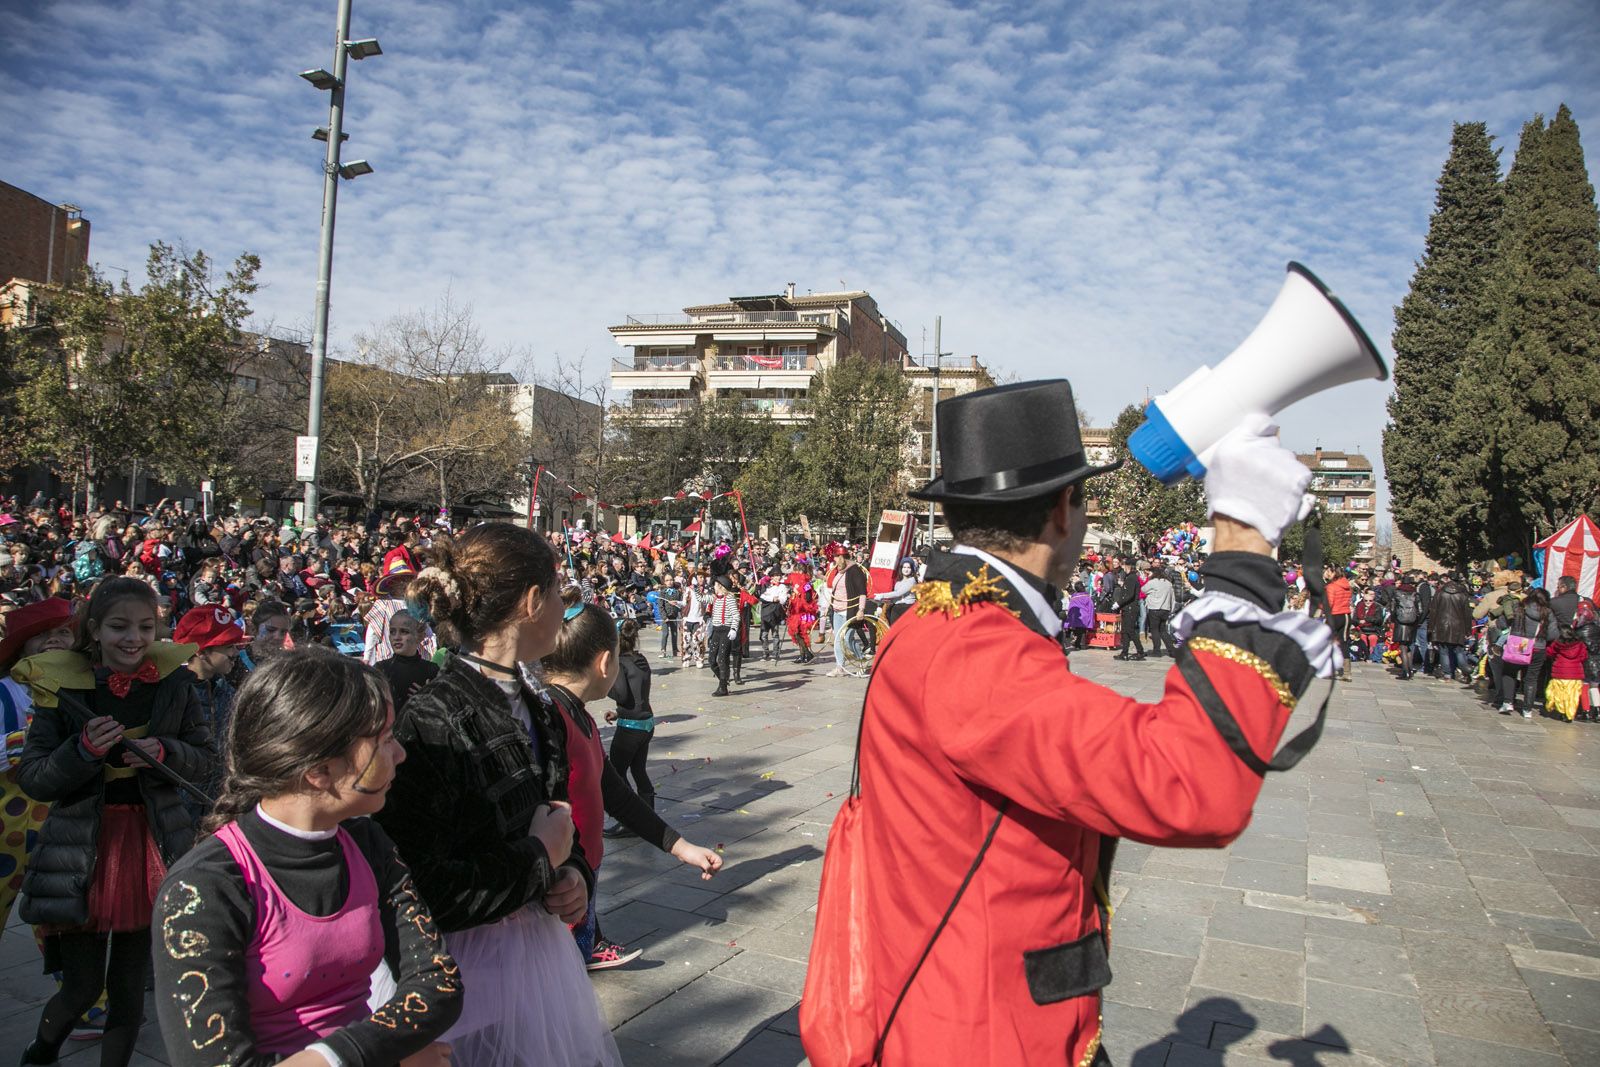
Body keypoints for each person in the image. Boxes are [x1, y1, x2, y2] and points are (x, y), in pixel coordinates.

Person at [801, 383, 1335, 1067]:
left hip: (959, 1005)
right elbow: (1190, 784)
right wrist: (1243, 545)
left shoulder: (939, 618)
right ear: (1061, 510)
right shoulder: (976, 649)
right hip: (985, 1037)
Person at [372, 522, 621, 1067]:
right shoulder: (434, 720)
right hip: (460, 975)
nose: (563, 606)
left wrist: (574, 872)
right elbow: (421, 886)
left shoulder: (538, 707)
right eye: (557, 593)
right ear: (533, 602)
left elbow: (556, 823)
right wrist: (537, 861)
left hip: (537, 960)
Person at [152, 649, 461, 1065]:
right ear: (319, 770)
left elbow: (437, 981)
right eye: (385, 740)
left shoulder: (367, 842)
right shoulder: (204, 887)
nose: (400, 754)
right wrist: (376, 1055)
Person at [14, 577, 212, 1067]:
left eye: (145, 627)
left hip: (154, 844)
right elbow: (36, 778)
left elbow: (205, 759)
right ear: (95, 629)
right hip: (83, 847)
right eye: (119, 626)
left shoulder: (174, 683)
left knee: (129, 991)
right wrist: (81, 751)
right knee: (81, 988)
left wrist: (167, 752)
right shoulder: (61, 685)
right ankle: (40, 1053)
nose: (133, 638)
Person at [540, 600, 722, 969]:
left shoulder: (580, 718)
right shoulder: (549, 721)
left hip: (581, 877)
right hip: (558, 888)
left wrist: (680, 846)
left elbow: (616, 796)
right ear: (606, 662)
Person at [0, 598, 77, 930]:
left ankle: (73, 980)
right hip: (7, 822)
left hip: (61, 816)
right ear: (21, 647)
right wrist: (31, 739)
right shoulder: (5, 692)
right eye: (43, 634)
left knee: (59, 916)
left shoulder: (80, 688)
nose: (55, 639)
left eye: (62, 632)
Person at [603, 619, 656, 837]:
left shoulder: (620, 663)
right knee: (638, 770)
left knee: (616, 774)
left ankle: (631, 820)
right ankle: (647, 817)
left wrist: (604, 684)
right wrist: (618, 713)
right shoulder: (641, 659)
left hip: (630, 728)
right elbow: (637, 694)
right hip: (646, 723)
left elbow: (622, 694)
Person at [1500, 588, 1558, 718]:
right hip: (1537, 647)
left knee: (1509, 672)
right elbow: (1553, 634)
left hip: (1517, 645)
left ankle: (1508, 702)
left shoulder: (1518, 607)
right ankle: (1527, 709)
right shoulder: (1547, 612)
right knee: (1531, 678)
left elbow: (1502, 622)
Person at [374, 609, 439, 713]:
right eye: (392, 632)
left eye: (404, 631)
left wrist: (428, 700)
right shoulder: (381, 669)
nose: (396, 637)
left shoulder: (431, 670)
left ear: (420, 636)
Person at [1427, 573, 1474, 681]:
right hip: (1458, 626)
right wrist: (1468, 630)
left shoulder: (1440, 593)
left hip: (1442, 625)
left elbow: (1433, 611)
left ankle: (1447, 674)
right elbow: (1467, 614)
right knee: (1459, 650)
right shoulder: (1463, 595)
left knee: (1444, 651)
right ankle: (1466, 672)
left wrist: (1431, 628)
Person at [1545, 623, 1588, 722]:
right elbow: (1583, 657)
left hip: (1560, 672)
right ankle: (1569, 715)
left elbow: (1549, 653)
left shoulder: (1557, 644)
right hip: (1575, 673)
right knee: (1572, 695)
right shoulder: (1580, 644)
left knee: (1560, 694)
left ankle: (1562, 712)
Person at [1111, 556, 1144, 661]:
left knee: (1130, 631)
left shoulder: (1131, 578)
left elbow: (1129, 594)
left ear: (1128, 566)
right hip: (1127, 608)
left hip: (1130, 608)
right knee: (1125, 631)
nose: (1123, 567)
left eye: (1124, 565)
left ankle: (1140, 651)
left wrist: (1118, 603)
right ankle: (1124, 652)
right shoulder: (1130, 577)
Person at [1142, 565, 1177, 658]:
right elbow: (1173, 598)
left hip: (1155, 608)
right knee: (1163, 630)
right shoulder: (1168, 583)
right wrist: (1171, 609)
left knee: (1154, 630)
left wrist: (1150, 592)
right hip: (1166, 609)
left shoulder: (1153, 582)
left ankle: (1156, 651)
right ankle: (1172, 650)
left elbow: (1143, 590)